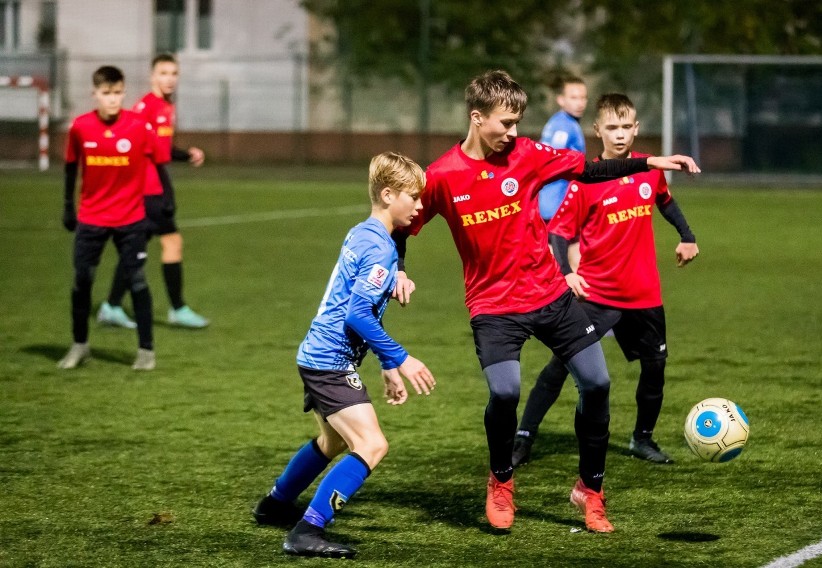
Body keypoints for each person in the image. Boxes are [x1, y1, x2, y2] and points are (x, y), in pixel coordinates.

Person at [394, 70, 699, 533]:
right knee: (504, 392)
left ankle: (590, 490)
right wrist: (396, 267)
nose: (515, 133)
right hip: (493, 306)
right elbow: (401, 224)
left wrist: (652, 161)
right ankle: (500, 480)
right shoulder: (441, 176)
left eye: (518, 122)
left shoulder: (528, 155)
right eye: (506, 123)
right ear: (477, 118)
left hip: (551, 296)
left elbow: (590, 169)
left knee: (596, 383)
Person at [251, 152, 436, 559]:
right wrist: (402, 358)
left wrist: (387, 364)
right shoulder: (379, 249)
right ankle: (307, 530)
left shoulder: (362, 232)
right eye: (414, 197)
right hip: (330, 362)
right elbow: (357, 314)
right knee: (372, 445)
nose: (421, 206)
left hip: (315, 353)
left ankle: (275, 504)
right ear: (388, 195)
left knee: (332, 440)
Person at [513, 93, 700, 467]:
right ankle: (523, 438)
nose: (619, 135)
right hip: (597, 294)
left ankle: (642, 439)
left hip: (644, 293)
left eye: (626, 127)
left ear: (636, 128)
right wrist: (567, 274)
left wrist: (687, 236)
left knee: (655, 367)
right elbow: (559, 233)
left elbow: (665, 200)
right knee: (560, 364)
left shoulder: (650, 169)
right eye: (611, 128)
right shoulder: (585, 181)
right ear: (597, 130)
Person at [58, 65, 174, 371]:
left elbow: (160, 162)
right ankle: (79, 345)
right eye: (106, 93)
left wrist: (167, 198)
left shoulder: (138, 126)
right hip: (91, 218)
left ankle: (146, 351)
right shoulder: (80, 127)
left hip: (130, 218)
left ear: (124, 92)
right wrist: (68, 206)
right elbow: (71, 167)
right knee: (82, 281)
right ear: (94, 94)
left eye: (118, 93)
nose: (113, 99)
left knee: (137, 281)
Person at [97, 53, 209, 330]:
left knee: (139, 248)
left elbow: (157, 149)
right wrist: (188, 155)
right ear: (152, 77)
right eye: (163, 73)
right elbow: (155, 151)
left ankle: (112, 306)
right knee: (168, 243)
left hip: (149, 187)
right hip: (148, 189)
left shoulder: (162, 106)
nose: (169, 79)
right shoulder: (151, 107)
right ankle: (177, 309)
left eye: (173, 73)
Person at [538, 74, 589, 222]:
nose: (580, 103)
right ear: (561, 100)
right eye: (574, 98)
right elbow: (550, 161)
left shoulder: (555, 121)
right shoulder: (565, 126)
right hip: (558, 204)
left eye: (583, 97)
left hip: (548, 202)